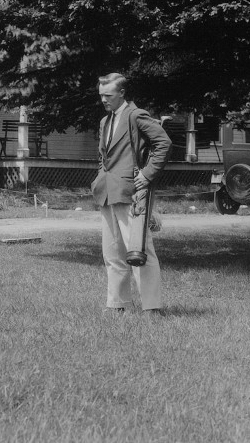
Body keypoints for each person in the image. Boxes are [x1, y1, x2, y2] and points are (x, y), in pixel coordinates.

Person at [92, 72, 171, 316]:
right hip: (107, 193)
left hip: (131, 193)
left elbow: (163, 143)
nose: (104, 100)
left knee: (140, 250)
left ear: (122, 93)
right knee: (112, 253)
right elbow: (103, 157)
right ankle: (116, 305)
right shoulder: (106, 121)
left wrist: (147, 175)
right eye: (101, 95)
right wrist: (99, 179)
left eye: (108, 95)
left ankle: (152, 308)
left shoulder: (136, 115)